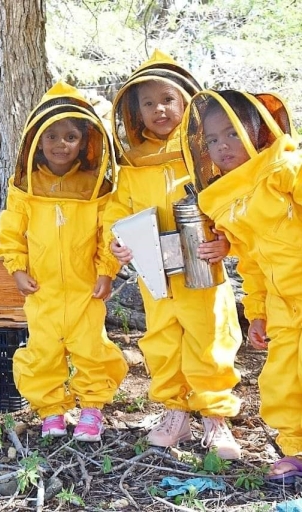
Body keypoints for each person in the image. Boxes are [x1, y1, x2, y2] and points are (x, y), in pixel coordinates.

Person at [102, 50, 243, 459]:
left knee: (209, 338)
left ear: (185, 103)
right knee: (161, 338)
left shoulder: (205, 153)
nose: (159, 109)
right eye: (148, 103)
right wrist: (117, 240)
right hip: (154, 270)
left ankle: (215, 418)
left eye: (167, 99)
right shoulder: (132, 165)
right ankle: (176, 411)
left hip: (202, 267)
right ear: (135, 111)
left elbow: (231, 203)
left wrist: (226, 241)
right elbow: (117, 210)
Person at [0, 82, 128, 440]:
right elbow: (11, 230)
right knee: (43, 350)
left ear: (85, 142)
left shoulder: (95, 185)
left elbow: (108, 232)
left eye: (70, 136)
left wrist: (106, 271)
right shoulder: (26, 186)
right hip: (43, 289)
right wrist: (17, 269)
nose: (60, 144)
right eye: (51, 136)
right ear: (36, 141)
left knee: (91, 348)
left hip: (87, 288)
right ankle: (51, 411)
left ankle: (92, 409)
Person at [183, 89, 302, 482]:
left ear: (257, 130)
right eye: (212, 140)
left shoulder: (284, 169)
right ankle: (296, 449)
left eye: (231, 133)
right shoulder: (224, 198)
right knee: (282, 379)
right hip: (283, 304)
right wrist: (258, 312)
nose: (222, 146)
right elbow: (250, 262)